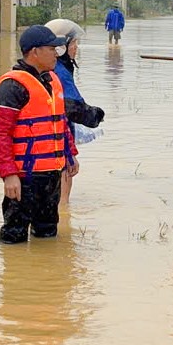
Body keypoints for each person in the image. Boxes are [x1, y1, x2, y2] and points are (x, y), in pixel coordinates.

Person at [0, 25, 79, 243]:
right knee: (14, 237)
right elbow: (1, 134)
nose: (56, 54)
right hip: (24, 176)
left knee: (48, 233)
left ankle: (46, 276)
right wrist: (9, 174)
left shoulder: (51, 81)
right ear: (35, 52)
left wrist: (70, 154)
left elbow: (60, 122)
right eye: (52, 49)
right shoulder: (12, 86)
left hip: (51, 174)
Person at [44, 18, 105, 205]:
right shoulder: (60, 71)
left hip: (50, 136)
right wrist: (96, 115)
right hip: (57, 136)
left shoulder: (51, 68)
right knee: (64, 174)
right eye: (74, 44)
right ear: (61, 47)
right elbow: (73, 107)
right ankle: (63, 213)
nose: (76, 48)